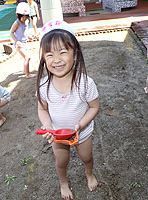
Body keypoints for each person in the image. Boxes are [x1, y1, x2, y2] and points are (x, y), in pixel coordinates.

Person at [36, 20, 99, 200]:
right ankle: (63, 182)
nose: (56, 60)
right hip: (57, 135)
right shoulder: (43, 87)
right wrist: (47, 125)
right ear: (43, 58)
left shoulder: (85, 83)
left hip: (82, 132)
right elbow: (42, 110)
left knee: (86, 157)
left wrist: (80, 125)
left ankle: (89, 173)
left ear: (76, 54)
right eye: (49, 54)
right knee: (61, 161)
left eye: (63, 52)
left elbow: (94, 107)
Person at [10, 2, 35, 78]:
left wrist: (28, 36)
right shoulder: (17, 23)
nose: (24, 19)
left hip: (24, 42)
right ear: (18, 15)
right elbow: (11, 32)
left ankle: (25, 71)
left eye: (26, 17)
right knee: (27, 57)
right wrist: (16, 41)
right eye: (22, 17)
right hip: (19, 44)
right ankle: (27, 74)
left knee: (26, 58)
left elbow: (24, 31)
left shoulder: (26, 21)